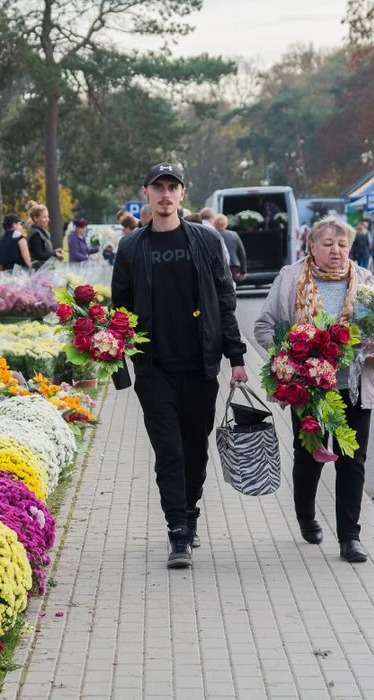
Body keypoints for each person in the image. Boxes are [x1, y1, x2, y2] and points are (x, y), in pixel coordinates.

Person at [111, 162, 249, 569]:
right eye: (158, 188)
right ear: (146, 194)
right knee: (168, 453)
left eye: (172, 187)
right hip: (154, 370)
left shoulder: (206, 241)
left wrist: (236, 358)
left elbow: (225, 300)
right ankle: (177, 531)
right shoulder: (132, 247)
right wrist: (117, 364)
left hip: (201, 367)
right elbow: (118, 311)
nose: (165, 194)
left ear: (182, 194)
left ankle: (190, 513)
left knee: (195, 449)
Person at [253, 217, 374, 563]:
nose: (336, 251)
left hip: (354, 385)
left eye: (342, 245)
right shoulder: (291, 278)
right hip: (307, 388)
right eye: (328, 244)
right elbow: (263, 326)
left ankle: (349, 537)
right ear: (311, 246)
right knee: (308, 459)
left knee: (353, 460)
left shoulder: (365, 279)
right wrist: (290, 353)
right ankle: (306, 515)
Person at [213, 213, 248, 284]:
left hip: (218, 266)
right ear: (226, 223)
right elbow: (242, 253)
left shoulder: (211, 234)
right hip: (233, 266)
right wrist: (243, 271)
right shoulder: (234, 234)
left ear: (214, 223)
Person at [26, 202, 62, 268]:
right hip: (39, 271)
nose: (48, 219)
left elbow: (44, 252)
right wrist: (54, 254)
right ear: (35, 218)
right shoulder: (35, 234)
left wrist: (54, 252)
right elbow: (39, 256)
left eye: (47, 216)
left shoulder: (41, 232)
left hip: (44, 270)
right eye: (44, 217)